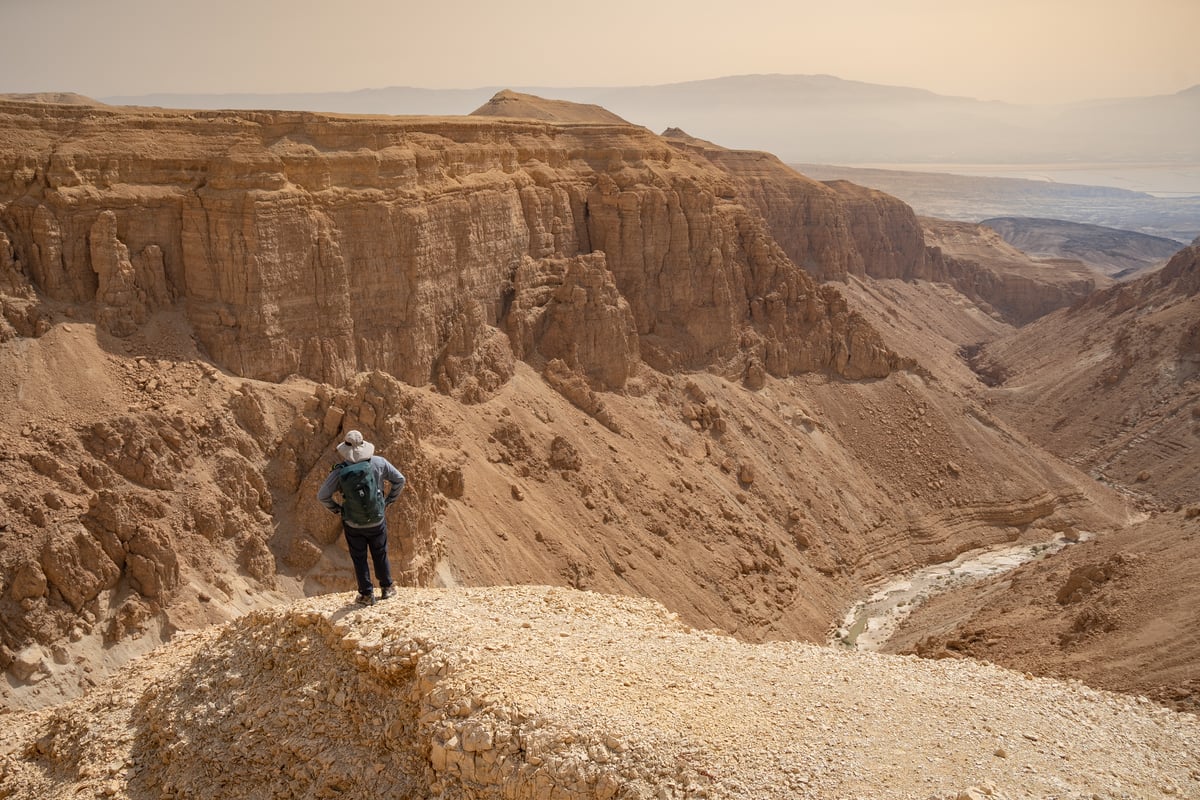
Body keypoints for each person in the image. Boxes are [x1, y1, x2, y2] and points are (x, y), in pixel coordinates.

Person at [317, 430, 406, 605]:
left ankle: (366, 594)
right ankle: (387, 588)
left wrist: (338, 510)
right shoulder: (379, 463)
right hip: (377, 518)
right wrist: (388, 501)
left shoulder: (340, 471)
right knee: (380, 552)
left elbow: (322, 496)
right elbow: (400, 480)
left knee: (359, 557)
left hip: (352, 522)